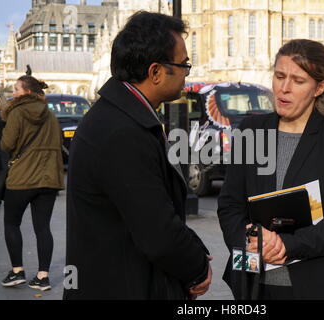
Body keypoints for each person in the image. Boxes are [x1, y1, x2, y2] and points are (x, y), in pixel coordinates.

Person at [63, 11, 212, 300]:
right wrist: (197, 268)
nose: (186, 73)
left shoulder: (120, 115)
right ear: (155, 72)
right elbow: (157, 231)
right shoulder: (123, 131)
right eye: (183, 65)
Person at [218, 39, 324, 300]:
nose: (284, 89)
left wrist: (286, 245)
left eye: (298, 81)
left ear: (319, 87)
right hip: (255, 285)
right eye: (279, 76)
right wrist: (250, 239)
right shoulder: (249, 131)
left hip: (320, 286)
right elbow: (230, 206)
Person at [0, 75, 64, 291]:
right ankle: (42, 277)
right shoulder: (52, 115)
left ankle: (17, 272)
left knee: (11, 223)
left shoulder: (16, 113)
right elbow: (59, 142)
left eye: (16, 89)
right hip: (49, 179)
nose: (13, 93)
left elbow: (7, 144)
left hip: (22, 178)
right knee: (43, 227)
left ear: (26, 92)